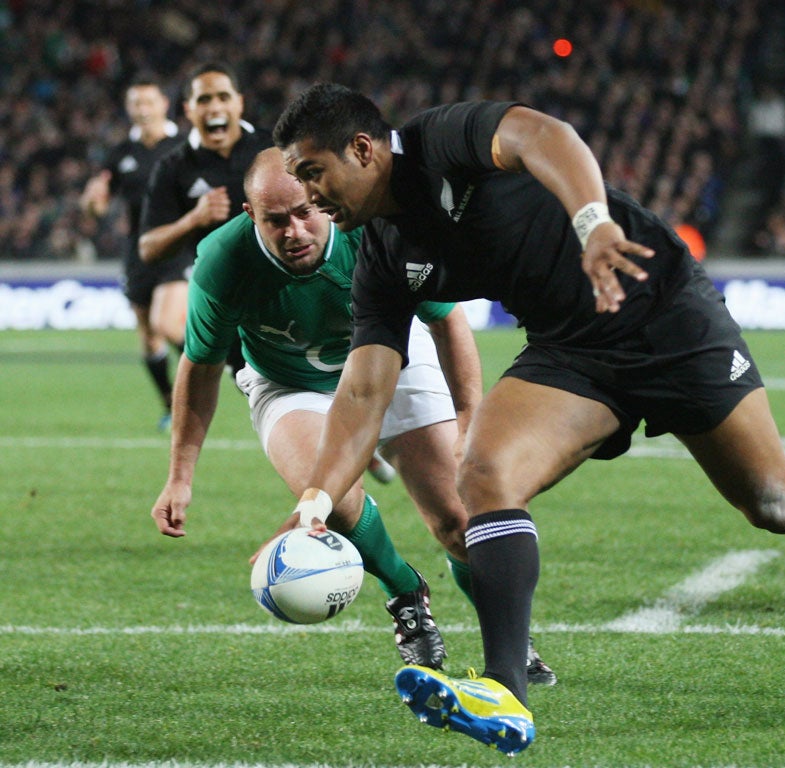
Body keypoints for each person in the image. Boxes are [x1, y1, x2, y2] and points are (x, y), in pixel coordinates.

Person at [268, 84, 785, 755]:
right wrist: (317, 501)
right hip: (571, 353)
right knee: (481, 472)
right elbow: (362, 393)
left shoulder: (442, 140)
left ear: (363, 149)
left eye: (312, 172)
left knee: (773, 501)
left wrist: (593, 223)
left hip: (662, 308)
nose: (308, 195)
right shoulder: (383, 256)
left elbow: (546, 136)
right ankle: (505, 691)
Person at [150, 148, 557, 680]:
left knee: (459, 519)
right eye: (275, 220)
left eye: (303, 212)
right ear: (250, 215)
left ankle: (506, 634)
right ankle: (404, 591)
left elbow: (446, 320)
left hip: (393, 356)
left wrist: (467, 419)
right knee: (330, 499)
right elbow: (199, 369)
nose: (294, 231)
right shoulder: (221, 264)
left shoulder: (371, 230)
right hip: (287, 381)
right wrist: (180, 476)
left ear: (319, 200)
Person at [138, 61, 273, 376]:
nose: (215, 107)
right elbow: (148, 248)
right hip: (224, 297)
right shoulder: (173, 168)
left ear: (239, 102)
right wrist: (193, 219)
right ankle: (224, 362)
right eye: (203, 100)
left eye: (223, 97)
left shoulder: (273, 149)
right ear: (188, 109)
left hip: (282, 284)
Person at [79, 77, 182, 431]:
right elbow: (97, 206)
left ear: (163, 105)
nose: (142, 110)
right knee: (147, 333)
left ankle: (203, 378)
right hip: (139, 250)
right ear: (129, 109)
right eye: (135, 103)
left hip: (179, 245)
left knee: (166, 323)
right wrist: (93, 201)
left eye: (148, 102)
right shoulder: (121, 153)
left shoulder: (184, 145)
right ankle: (171, 403)